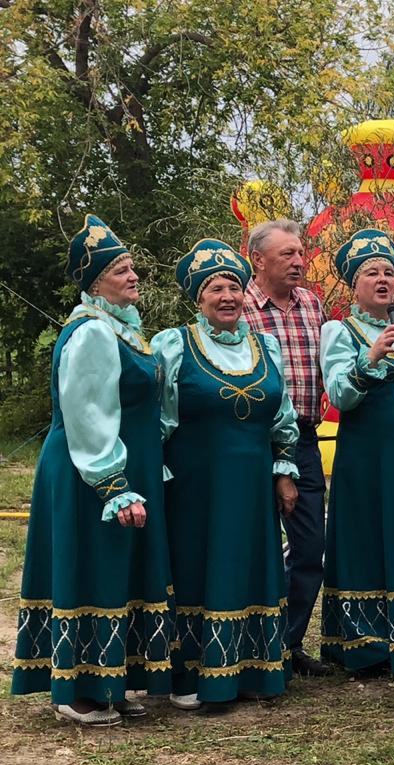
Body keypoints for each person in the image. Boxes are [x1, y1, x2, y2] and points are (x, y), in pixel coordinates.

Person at [11, 215, 172, 725]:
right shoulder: (93, 334)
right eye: (120, 270)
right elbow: (88, 414)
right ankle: (74, 692)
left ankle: (111, 681)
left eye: (132, 268)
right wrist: (113, 485)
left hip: (122, 469)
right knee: (91, 564)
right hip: (90, 472)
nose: (133, 277)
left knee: (118, 567)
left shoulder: (123, 330)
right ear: (94, 281)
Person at [153, 239, 299, 709]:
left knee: (254, 563)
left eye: (234, 286)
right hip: (196, 485)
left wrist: (283, 472)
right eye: (215, 288)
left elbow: (283, 417)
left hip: (253, 483)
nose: (228, 297)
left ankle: (254, 669)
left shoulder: (267, 346)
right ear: (198, 298)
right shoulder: (174, 345)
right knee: (198, 565)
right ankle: (193, 674)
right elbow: (157, 419)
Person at [319, 229, 394, 676]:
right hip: (365, 456)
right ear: (354, 283)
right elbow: (339, 396)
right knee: (366, 535)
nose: (383, 279)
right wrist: (369, 357)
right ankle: (363, 644)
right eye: (372, 272)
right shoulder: (339, 331)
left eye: (389, 271)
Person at [242, 219, 332, 676]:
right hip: (253, 442)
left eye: (300, 253)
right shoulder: (238, 308)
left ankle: (288, 642)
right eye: (287, 255)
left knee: (310, 542)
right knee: (253, 543)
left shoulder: (312, 304)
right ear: (258, 260)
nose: (299, 262)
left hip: (306, 440)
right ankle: (252, 645)